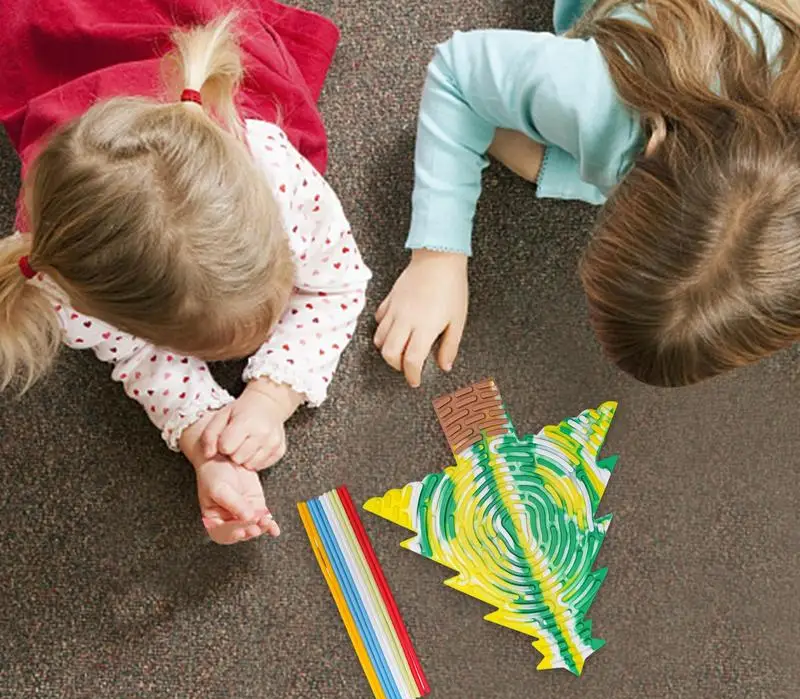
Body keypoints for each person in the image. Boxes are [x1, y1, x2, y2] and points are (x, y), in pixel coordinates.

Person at [0, 8, 370, 544]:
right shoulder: (67, 279)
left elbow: (338, 280)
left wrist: (271, 395)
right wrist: (205, 440)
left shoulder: (276, 169)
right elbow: (135, 353)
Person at [375, 0, 800, 388]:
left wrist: (551, 165)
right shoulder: (596, 92)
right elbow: (456, 74)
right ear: (648, 147)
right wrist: (438, 258)